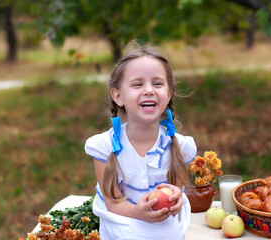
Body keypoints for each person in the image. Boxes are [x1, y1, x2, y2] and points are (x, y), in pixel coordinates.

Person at [84, 42, 197, 240]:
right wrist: (138, 213)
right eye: (137, 84)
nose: (149, 90)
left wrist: (176, 198)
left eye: (157, 83)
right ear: (118, 96)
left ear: (169, 94)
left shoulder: (179, 146)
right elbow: (114, 203)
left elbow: (176, 192)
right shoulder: (104, 147)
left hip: (163, 217)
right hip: (123, 216)